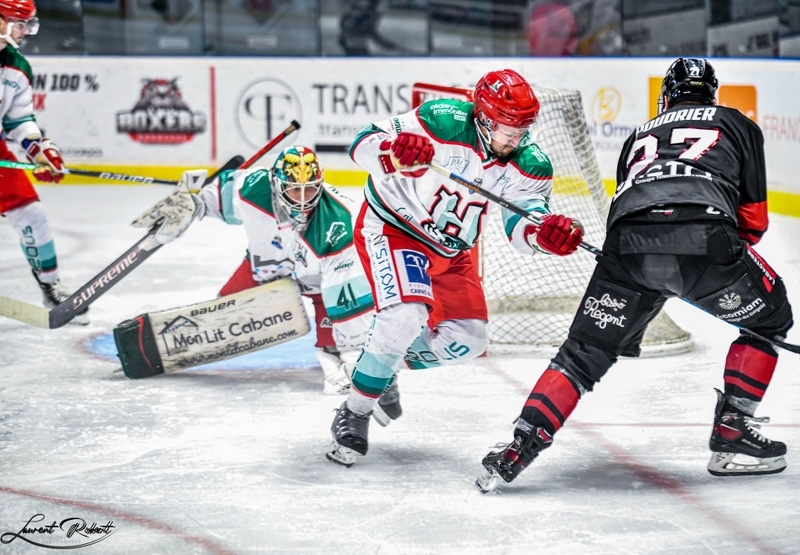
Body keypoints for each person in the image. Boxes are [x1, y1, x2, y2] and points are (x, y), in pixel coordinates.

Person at [478, 58, 794, 491]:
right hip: (704, 241)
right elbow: (753, 224)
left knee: (581, 354)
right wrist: (695, 271)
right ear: (711, 95)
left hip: (625, 251)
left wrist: (660, 266)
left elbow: (626, 211)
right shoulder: (737, 123)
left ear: (666, 96)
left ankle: (518, 447)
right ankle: (733, 433)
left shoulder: (639, 135)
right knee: (770, 321)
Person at [326, 68, 584, 467]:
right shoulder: (442, 118)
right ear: (482, 116)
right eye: (506, 129)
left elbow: (523, 224)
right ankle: (356, 410)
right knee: (405, 315)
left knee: (470, 340)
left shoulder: (530, 163)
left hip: (451, 252)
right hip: (397, 228)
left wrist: (543, 235)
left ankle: (379, 367)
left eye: (521, 129)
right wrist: (395, 153)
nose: (515, 138)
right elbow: (363, 143)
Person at [193, 145, 376, 394]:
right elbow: (218, 196)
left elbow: (345, 294)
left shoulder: (339, 222)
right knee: (221, 317)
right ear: (277, 184)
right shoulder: (253, 186)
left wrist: (354, 349)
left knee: (335, 355)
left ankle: (336, 351)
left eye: (310, 188)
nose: (303, 199)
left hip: (321, 286)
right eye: (294, 189)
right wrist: (191, 204)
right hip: (266, 268)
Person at [0, 0, 88, 324]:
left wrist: (40, 149)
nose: (25, 31)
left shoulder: (17, 68)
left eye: (27, 24)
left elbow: (18, 120)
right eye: (18, 22)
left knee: (32, 215)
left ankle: (50, 287)